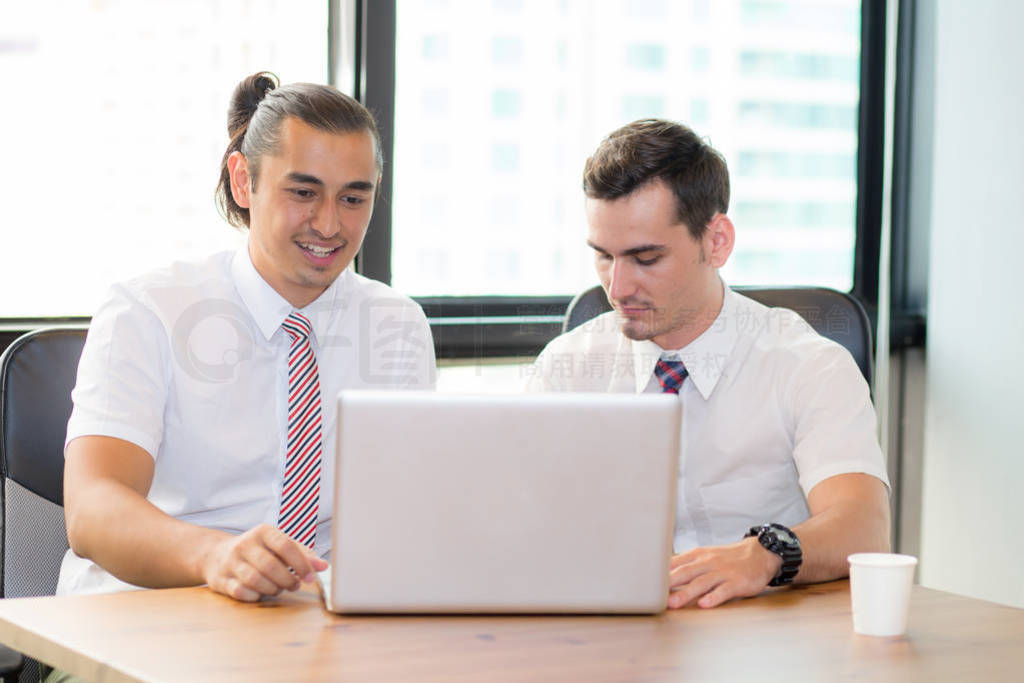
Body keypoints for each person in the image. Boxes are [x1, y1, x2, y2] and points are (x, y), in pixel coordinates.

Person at [59, 72, 435, 603]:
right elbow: (93, 509)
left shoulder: (397, 326)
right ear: (243, 181)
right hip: (150, 609)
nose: (329, 225)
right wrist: (213, 555)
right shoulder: (149, 311)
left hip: (317, 619)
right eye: (303, 192)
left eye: (353, 199)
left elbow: (407, 510)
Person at [525, 119, 890, 609]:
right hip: (611, 633)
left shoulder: (809, 366)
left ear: (716, 241)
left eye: (646, 258)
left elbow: (863, 527)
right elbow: (520, 520)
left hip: (764, 635)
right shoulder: (566, 367)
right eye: (604, 257)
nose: (617, 288)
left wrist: (764, 555)